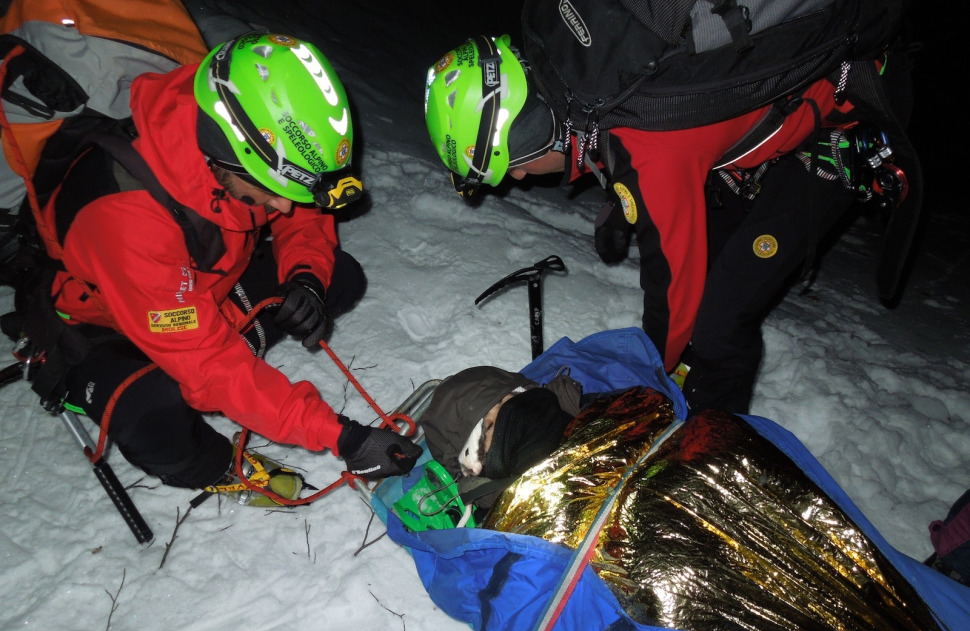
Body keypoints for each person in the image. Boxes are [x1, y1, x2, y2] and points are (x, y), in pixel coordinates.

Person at [10, 32, 421, 502]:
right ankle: (216, 465)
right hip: (106, 324)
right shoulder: (124, 221)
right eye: (272, 194)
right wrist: (342, 436)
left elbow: (302, 205)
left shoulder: (241, 129)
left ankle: (242, 363)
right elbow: (209, 365)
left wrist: (304, 275)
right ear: (226, 155)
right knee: (153, 413)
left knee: (337, 277)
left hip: (201, 289)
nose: (282, 211)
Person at [423, 35, 897, 415]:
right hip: (767, 114)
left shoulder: (651, 152)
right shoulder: (577, 64)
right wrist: (619, 191)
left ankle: (713, 448)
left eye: (510, 167)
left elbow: (672, 291)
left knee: (719, 317)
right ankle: (694, 384)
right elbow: (612, 125)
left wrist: (644, 381)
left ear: (524, 135)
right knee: (711, 266)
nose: (520, 178)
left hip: (844, 113)